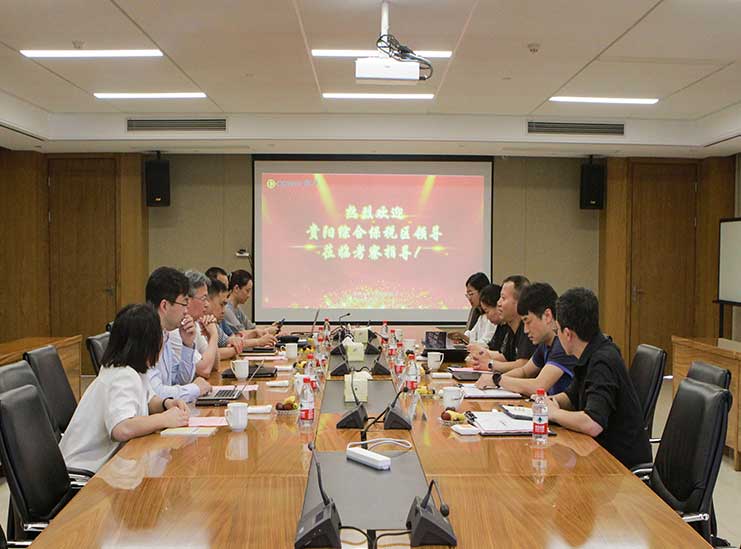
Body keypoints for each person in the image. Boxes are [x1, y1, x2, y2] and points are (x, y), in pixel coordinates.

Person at [60, 304, 190, 473]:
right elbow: (122, 428)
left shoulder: (133, 370)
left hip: (107, 468)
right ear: (147, 343)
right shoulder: (122, 376)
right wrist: (164, 419)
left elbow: (148, 400)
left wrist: (166, 404)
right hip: (83, 471)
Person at [546, 287, 651, 469]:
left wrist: (554, 413)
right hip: (600, 453)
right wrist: (551, 401)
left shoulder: (603, 361)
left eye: (557, 331)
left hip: (620, 467)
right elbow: (572, 396)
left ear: (568, 334)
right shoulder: (591, 351)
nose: (557, 336)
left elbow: (593, 423)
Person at [475, 282, 578, 396]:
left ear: (547, 316)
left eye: (528, 321)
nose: (525, 330)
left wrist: (497, 380)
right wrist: (493, 379)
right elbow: (524, 371)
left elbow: (539, 386)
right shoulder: (545, 344)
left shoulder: (563, 344)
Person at [146, 267, 211, 401]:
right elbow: (155, 393)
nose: (186, 311)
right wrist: (196, 389)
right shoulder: (144, 336)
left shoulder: (165, 334)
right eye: (184, 303)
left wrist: (187, 344)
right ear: (164, 306)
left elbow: (179, 380)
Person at [468, 275, 535, 372]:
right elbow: (506, 357)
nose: (498, 303)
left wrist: (490, 364)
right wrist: (483, 356)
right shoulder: (511, 328)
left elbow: (524, 365)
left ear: (520, 302)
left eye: (503, 298)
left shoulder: (528, 328)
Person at [168, 270, 220, 378]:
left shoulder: (194, 323)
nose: (207, 304)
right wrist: (214, 335)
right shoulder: (176, 328)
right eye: (203, 298)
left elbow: (215, 365)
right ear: (188, 300)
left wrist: (210, 337)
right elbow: (204, 370)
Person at [224, 269, 280, 339]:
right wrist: (267, 331)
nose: (249, 295)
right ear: (236, 288)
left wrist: (269, 328)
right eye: (247, 291)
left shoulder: (237, 308)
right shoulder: (227, 309)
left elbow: (251, 328)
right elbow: (242, 333)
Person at [448, 272, 495, 345]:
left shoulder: (493, 316)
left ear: (482, 292)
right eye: (467, 295)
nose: (469, 298)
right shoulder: (480, 315)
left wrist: (462, 337)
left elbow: (486, 343)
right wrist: (459, 336)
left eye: (471, 294)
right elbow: (472, 334)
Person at [207, 277, 245, 361]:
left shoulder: (211, 322)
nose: (224, 310)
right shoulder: (196, 323)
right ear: (208, 301)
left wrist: (234, 343)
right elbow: (209, 355)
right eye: (221, 304)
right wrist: (234, 349)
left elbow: (229, 340)